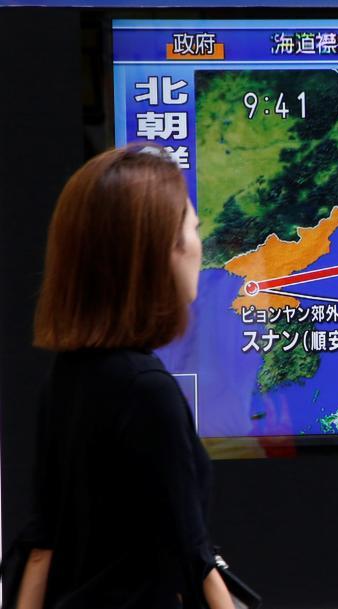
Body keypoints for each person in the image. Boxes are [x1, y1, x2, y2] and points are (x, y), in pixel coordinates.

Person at [6, 144, 234, 609]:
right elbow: (194, 558)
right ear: (155, 254)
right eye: (191, 230)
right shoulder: (148, 391)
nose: (199, 244)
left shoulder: (68, 375)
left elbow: (41, 544)